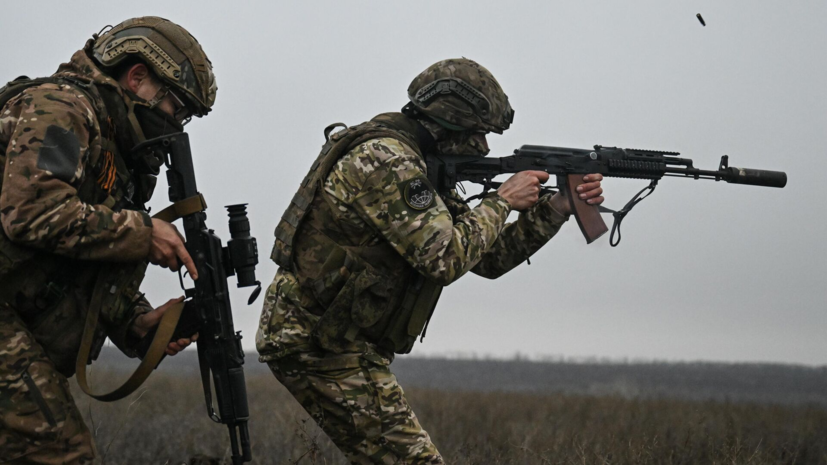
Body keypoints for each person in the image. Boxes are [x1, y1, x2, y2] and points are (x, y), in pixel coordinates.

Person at [256, 58, 605, 464]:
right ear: (451, 123)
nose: (485, 148)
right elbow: (445, 258)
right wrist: (502, 200)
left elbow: (487, 258)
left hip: (338, 340)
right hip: (318, 344)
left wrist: (558, 207)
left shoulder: (416, 165)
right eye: (478, 135)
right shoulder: (388, 161)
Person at [0, 16, 216, 464]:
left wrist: (137, 324)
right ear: (137, 77)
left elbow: (82, 261)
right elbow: (34, 212)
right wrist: (144, 233)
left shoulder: (122, 156)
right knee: (58, 449)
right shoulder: (61, 109)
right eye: (178, 107)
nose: (178, 123)